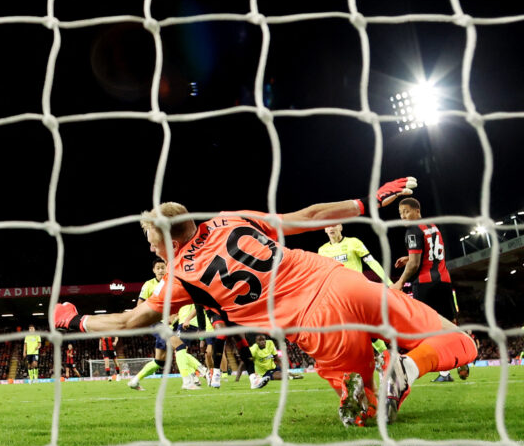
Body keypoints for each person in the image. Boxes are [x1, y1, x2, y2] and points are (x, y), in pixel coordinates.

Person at [55, 177, 478, 427]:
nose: (152, 250)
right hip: (342, 281)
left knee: (364, 414)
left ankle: (382, 381)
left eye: (153, 242)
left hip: (318, 325)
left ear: (169, 240)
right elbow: (308, 217)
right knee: (461, 342)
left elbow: (130, 321)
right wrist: (364, 202)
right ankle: (407, 367)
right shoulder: (231, 219)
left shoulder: (181, 274)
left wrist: (75, 321)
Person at [391, 198, 468, 383]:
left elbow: (415, 264)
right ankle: (464, 357)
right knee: (450, 324)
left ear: (417, 211)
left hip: (425, 284)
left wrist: (400, 282)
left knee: (428, 327)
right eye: (401, 214)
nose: (403, 217)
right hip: (444, 281)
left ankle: (440, 371)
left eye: (406, 212)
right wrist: (408, 257)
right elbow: (431, 253)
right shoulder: (432, 227)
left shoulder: (412, 230)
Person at [127, 258, 210, 391]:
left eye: (163, 267)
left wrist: (173, 316)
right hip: (154, 322)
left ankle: (134, 381)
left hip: (167, 325)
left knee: (159, 361)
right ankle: (192, 377)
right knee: (180, 345)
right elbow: (139, 305)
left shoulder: (170, 284)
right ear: (153, 270)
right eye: (158, 268)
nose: (161, 270)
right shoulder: (149, 285)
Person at [318, 223, 392, 365]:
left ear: (340, 227)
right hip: (338, 296)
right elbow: (322, 274)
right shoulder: (322, 250)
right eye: (328, 226)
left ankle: (385, 356)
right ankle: (360, 363)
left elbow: (372, 262)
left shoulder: (354, 242)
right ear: (325, 229)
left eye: (334, 225)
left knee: (366, 326)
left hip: (357, 291)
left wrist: (388, 282)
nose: (331, 228)